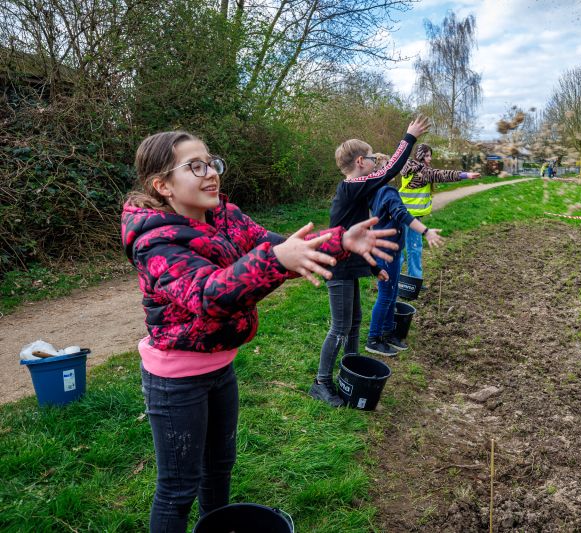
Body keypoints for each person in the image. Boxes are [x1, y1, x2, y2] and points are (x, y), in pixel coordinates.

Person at [121, 131, 399, 532]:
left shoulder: (225, 216)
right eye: (195, 166)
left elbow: (282, 247)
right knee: (178, 489)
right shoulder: (154, 240)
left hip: (220, 367)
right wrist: (276, 260)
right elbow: (209, 295)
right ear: (162, 185)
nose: (210, 173)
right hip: (175, 381)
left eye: (211, 163)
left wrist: (340, 240)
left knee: (219, 468)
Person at [313, 117, 431, 407]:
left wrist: (374, 267)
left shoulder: (356, 190)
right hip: (338, 268)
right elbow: (390, 170)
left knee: (354, 322)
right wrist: (409, 137)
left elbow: (358, 236)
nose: (374, 164)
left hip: (349, 265)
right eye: (370, 159)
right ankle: (321, 382)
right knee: (340, 327)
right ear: (360, 162)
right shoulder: (351, 186)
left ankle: (350, 370)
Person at [366, 183, 444, 356]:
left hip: (389, 249)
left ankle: (387, 332)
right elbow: (401, 213)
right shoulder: (387, 191)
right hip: (387, 252)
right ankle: (373, 339)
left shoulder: (374, 189)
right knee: (386, 296)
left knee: (392, 294)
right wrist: (426, 231)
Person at [398, 144, 480, 281]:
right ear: (419, 156)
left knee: (407, 249)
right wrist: (466, 175)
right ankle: (404, 281)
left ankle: (407, 281)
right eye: (426, 156)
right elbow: (442, 175)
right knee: (409, 249)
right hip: (407, 216)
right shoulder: (421, 172)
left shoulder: (410, 167)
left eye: (430, 155)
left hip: (406, 214)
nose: (429, 159)